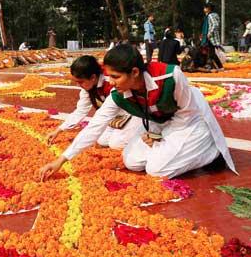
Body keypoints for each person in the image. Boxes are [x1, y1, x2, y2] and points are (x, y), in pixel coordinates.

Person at [39, 44, 236, 180]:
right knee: (131, 161)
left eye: (115, 77)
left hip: (189, 120)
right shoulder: (117, 93)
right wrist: (61, 160)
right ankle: (175, 151)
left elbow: (186, 113)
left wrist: (161, 135)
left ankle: (210, 151)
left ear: (134, 72)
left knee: (156, 169)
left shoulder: (170, 76)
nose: (111, 82)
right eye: (109, 77)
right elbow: (95, 125)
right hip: (159, 121)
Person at [45, 55, 142, 149]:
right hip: (114, 117)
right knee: (101, 140)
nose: (79, 85)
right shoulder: (88, 87)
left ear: (93, 77)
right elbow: (81, 111)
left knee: (115, 144)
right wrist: (58, 130)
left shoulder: (111, 82)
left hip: (133, 113)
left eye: (81, 82)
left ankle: (142, 134)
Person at [200, 3, 223, 71]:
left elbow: (215, 24)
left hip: (211, 37)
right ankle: (218, 66)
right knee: (211, 51)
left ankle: (213, 66)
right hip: (209, 36)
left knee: (210, 51)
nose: (204, 9)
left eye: (205, 8)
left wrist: (209, 33)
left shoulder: (210, 15)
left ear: (208, 9)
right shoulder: (212, 15)